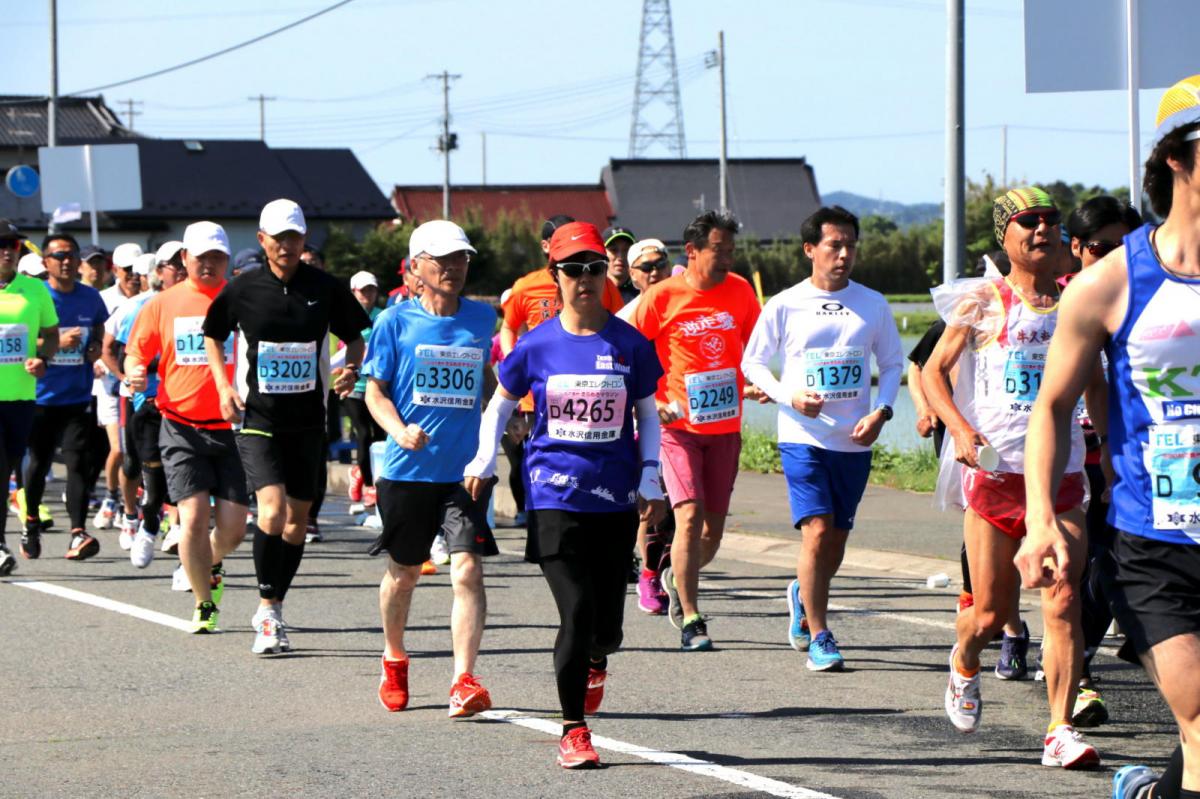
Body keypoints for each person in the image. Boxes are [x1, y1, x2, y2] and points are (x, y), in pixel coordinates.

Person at [1020, 75, 1200, 799]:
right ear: (1178, 159)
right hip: (1154, 544)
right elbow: (1052, 406)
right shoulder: (1111, 283)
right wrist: (1041, 520)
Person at [465, 221, 666, 768]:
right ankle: (573, 729)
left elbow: (646, 413)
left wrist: (651, 472)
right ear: (554, 275)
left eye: (594, 269)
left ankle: (598, 655)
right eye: (573, 270)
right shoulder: (536, 345)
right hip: (553, 495)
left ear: (606, 274)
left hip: (615, 497)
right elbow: (500, 405)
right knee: (574, 611)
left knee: (607, 627)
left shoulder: (630, 344)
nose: (585, 279)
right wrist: (484, 459)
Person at [924, 187, 1100, 768]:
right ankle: (965, 660)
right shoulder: (985, 299)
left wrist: (1109, 430)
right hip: (997, 477)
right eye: (1029, 222)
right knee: (993, 615)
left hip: (1062, 478)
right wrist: (959, 428)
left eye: (1051, 221)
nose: (1043, 231)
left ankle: (1059, 728)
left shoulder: (1080, 298)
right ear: (1006, 235)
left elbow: (1095, 378)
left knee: (1063, 599)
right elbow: (931, 372)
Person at [203, 199, 370, 654]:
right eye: (277, 238)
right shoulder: (243, 289)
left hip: (309, 422)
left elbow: (356, 338)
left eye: (293, 237)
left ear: (303, 240)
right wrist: (223, 386)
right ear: (262, 241)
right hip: (256, 419)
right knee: (272, 512)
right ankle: (267, 611)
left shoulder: (325, 287)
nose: (286, 245)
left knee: (297, 524)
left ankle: (274, 602)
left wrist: (351, 370)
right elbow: (213, 336)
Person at [742, 205, 903, 671]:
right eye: (835, 244)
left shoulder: (872, 303)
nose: (844, 253)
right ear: (810, 248)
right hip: (802, 436)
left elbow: (892, 364)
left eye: (851, 245)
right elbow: (753, 364)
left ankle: (801, 592)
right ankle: (820, 634)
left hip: (854, 438)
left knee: (835, 540)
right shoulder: (786, 303)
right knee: (815, 532)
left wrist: (882, 411)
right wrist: (790, 397)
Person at [361, 220, 499, 716]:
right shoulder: (394, 323)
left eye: (462, 258)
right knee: (403, 574)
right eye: (443, 260)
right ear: (416, 266)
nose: (454, 268)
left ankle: (463, 679)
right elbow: (374, 390)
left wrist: (506, 415)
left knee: (466, 569)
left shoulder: (483, 320)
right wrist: (398, 431)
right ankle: (394, 657)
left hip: (465, 473)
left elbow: (485, 376)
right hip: (407, 470)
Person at [630, 209, 761, 651]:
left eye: (731, 250)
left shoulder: (741, 292)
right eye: (718, 250)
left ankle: (673, 574)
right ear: (693, 251)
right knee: (687, 518)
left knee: (711, 534)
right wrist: (654, 401)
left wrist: (759, 382)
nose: (726, 258)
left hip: (725, 429)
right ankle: (691, 618)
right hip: (678, 428)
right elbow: (628, 351)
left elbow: (756, 349)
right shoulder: (662, 297)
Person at [126, 222, 247, 632]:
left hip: (234, 428)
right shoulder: (163, 304)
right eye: (201, 258)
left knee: (233, 529)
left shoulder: (242, 300)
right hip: (180, 425)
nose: (209, 265)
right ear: (184, 259)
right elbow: (135, 354)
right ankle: (203, 603)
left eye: (217, 257)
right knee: (192, 519)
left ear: (228, 260)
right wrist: (136, 372)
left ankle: (208, 563)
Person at [1059, 195, 1144, 728]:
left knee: (1113, 566)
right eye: (1099, 248)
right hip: (1071, 457)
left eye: (1124, 246)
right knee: (1075, 569)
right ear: (1076, 248)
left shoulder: (1150, 298)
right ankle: (1074, 674)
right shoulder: (1060, 301)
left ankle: (1079, 662)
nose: (1112, 256)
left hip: (1128, 455)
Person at [22, 233, 108, 562]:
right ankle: (30, 522)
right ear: (46, 263)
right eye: (59, 256)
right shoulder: (36, 298)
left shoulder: (90, 298)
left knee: (78, 465)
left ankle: (77, 532)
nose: (67, 261)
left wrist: (95, 347)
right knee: (39, 464)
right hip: (41, 397)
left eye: (71, 254)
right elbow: (26, 343)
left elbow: (99, 329)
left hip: (77, 395)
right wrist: (57, 341)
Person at [109, 243, 187, 567]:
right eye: (173, 264)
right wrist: (131, 374)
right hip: (150, 406)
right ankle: (147, 522)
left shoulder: (211, 305)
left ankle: (186, 554)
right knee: (152, 485)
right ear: (159, 272)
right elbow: (124, 352)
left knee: (188, 484)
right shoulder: (142, 307)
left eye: (185, 262)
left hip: (189, 407)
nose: (181, 270)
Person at [618, 238, 677, 614]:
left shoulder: (684, 300)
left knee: (681, 509)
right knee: (653, 502)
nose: (654, 272)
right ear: (633, 275)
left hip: (692, 419)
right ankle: (649, 575)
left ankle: (665, 566)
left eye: (660, 264)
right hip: (647, 420)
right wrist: (652, 403)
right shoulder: (627, 318)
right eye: (645, 267)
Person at [0, 220, 58, 575]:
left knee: (8, 466)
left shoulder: (34, 291)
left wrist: (44, 357)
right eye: (0, 244)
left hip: (21, 398)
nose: (7, 250)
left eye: (12, 245)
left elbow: (51, 334)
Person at [93, 242, 142, 534]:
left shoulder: (151, 300)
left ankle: (135, 501)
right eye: (127, 270)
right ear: (115, 271)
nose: (133, 276)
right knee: (119, 448)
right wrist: (99, 359)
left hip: (142, 387)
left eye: (138, 270)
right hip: (110, 385)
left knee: (139, 451)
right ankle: (111, 497)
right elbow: (98, 339)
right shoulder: (104, 299)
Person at [344, 270, 384, 516]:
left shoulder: (383, 317)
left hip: (377, 386)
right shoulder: (345, 316)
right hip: (353, 387)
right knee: (363, 434)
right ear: (353, 293)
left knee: (379, 434)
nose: (367, 294)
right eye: (363, 290)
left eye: (371, 290)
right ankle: (369, 483)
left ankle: (371, 478)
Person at [602, 225, 638, 305]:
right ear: (603, 253)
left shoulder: (641, 293)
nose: (620, 257)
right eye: (614, 250)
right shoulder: (594, 292)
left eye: (626, 250)